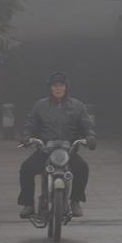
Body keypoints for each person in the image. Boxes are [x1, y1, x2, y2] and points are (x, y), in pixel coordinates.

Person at [18, 71, 96, 219]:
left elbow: (87, 126)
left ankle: (75, 201)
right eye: (55, 85)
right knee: (26, 169)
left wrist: (90, 137)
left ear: (66, 87)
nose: (58, 88)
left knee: (82, 168)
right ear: (50, 88)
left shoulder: (78, 106)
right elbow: (30, 124)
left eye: (61, 85)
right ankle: (27, 204)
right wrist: (26, 136)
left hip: (69, 151)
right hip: (45, 150)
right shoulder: (40, 105)